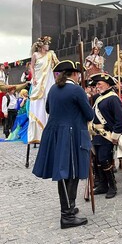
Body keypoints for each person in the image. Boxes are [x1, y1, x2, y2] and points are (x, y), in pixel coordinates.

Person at [32, 60, 93, 229]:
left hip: (56, 133)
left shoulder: (53, 89)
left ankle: (69, 208)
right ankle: (66, 216)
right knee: (70, 173)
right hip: (71, 134)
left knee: (64, 172)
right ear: (73, 74)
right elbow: (89, 115)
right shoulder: (76, 89)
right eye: (77, 72)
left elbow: (49, 109)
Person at [90, 73, 122, 198]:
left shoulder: (113, 98)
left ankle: (112, 186)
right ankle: (103, 185)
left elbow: (120, 119)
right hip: (96, 135)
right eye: (97, 84)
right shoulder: (99, 98)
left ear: (108, 84)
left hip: (107, 135)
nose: (97, 86)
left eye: (99, 84)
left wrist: (115, 136)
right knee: (98, 161)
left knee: (105, 159)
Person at [28, 36, 59, 144]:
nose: (48, 46)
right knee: (38, 100)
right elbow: (32, 67)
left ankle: (50, 126)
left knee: (49, 98)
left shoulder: (51, 54)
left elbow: (57, 65)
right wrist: (34, 77)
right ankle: (38, 129)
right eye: (47, 44)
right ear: (42, 45)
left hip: (48, 80)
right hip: (39, 80)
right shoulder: (35, 55)